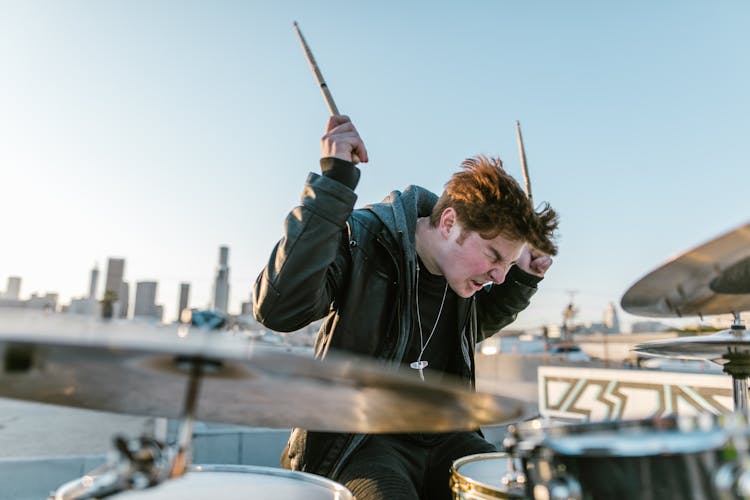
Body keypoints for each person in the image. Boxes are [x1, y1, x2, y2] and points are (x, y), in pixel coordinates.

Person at [253, 115, 558, 500]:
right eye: (494, 257)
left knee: (517, 490)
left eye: (507, 267)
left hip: (448, 432)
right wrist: (333, 187)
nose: (498, 277)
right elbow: (279, 309)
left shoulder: (460, 279)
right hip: (362, 438)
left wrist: (524, 277)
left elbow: (470, 330)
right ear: (449, 223)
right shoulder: (363, 237)